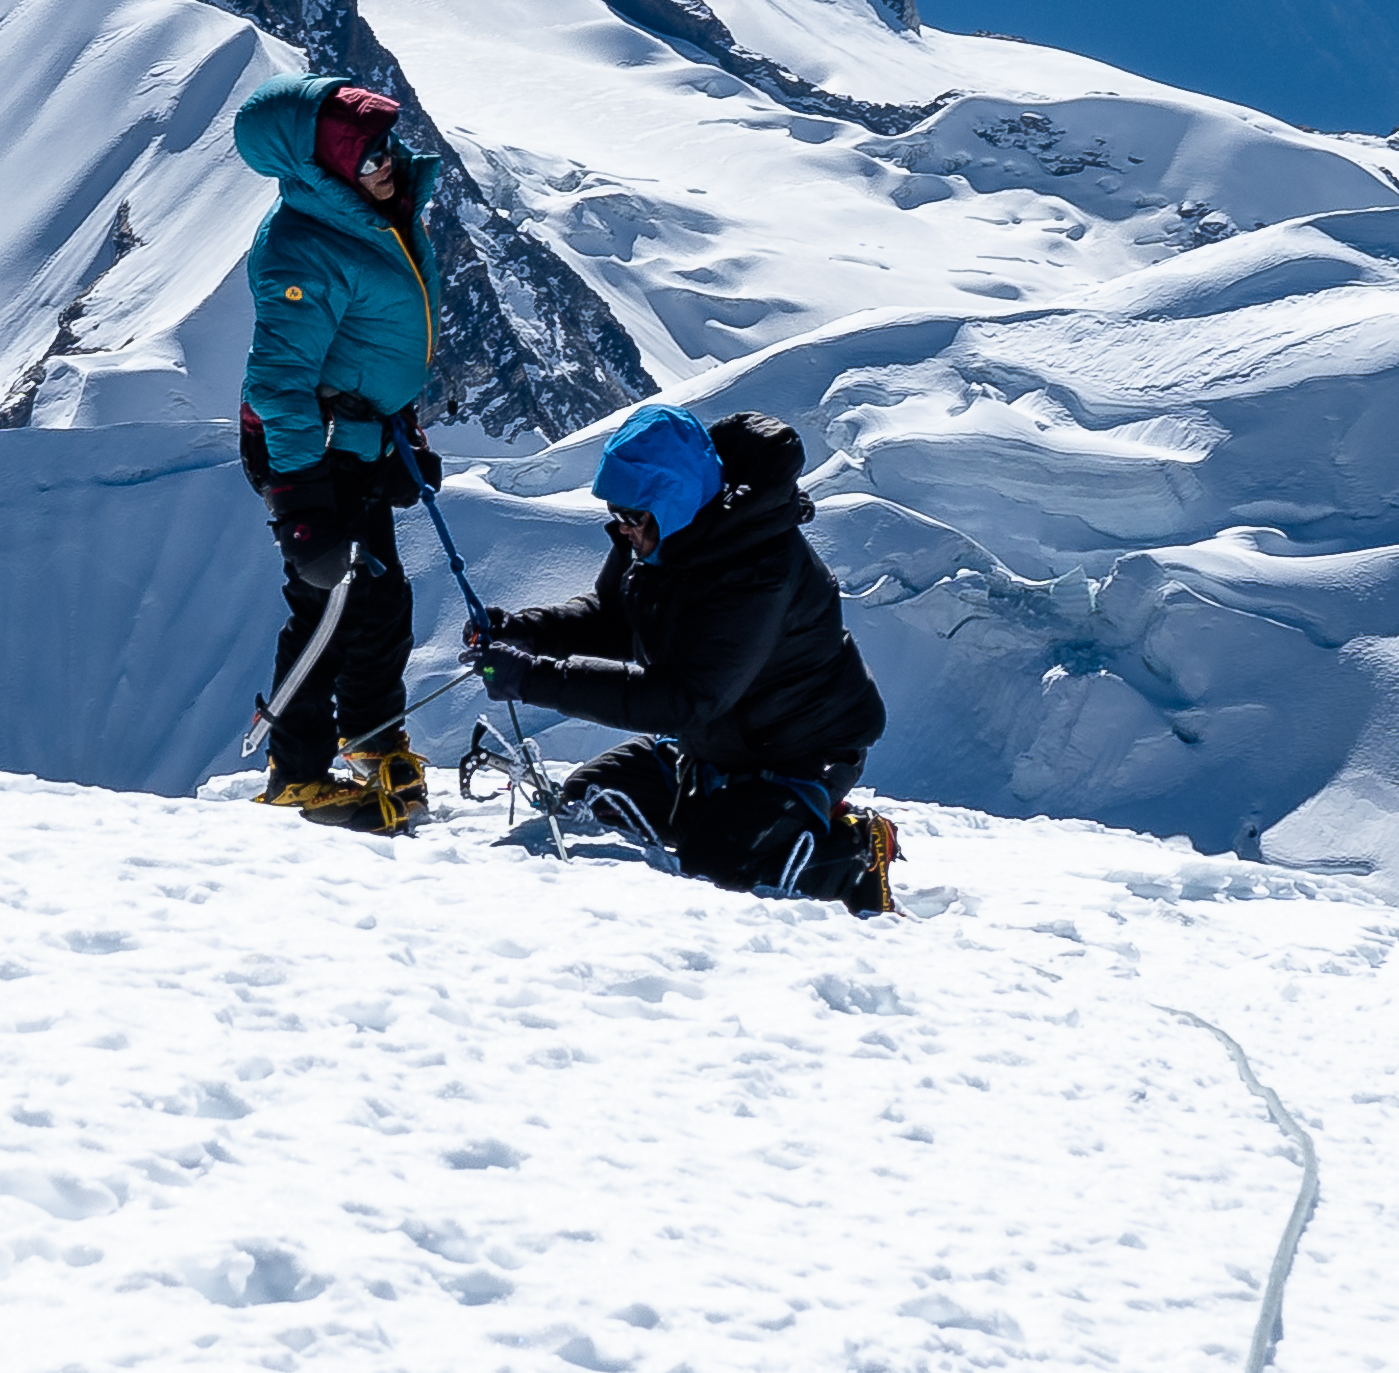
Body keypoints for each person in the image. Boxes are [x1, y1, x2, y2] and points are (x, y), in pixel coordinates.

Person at [467, 403, 900, 913]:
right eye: (615, 515)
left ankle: (853, 847)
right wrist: (521, 632)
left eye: (632, 517)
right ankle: (737, 816)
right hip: (714, 745)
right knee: (591, 801)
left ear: (672, 503)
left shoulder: (759, 568)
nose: (622, 529)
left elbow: (685, 698)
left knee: (722, 866)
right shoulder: (664, 540)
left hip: (799, 752)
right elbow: (615, 619)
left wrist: (533, 679)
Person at [232, 71, 441, 833]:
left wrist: (401, 431)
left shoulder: (367, 217)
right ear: (323, 165)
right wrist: (301, 505)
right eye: (364, 154)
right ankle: (295, 767)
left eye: (384, 145)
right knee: (327, 607)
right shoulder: (305, 244)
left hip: (357, 443)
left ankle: (372, 738)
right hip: (310, 454)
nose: (385, 162)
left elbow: (368, 344)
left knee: (381, 603)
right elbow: (279, 386)